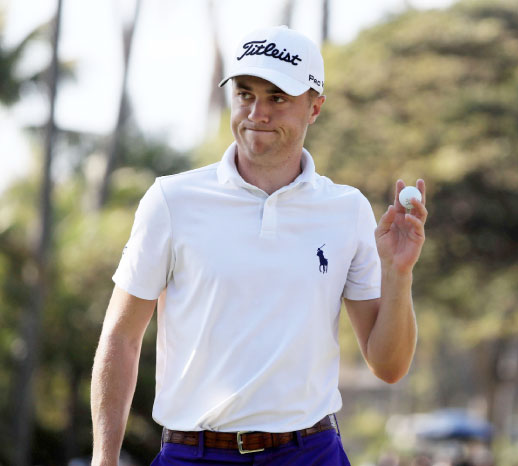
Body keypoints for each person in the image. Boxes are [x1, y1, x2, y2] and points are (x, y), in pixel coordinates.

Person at [91, 25, 427, 465]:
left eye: (277, 98)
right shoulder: (171, 201)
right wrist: (104, 459)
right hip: (194, 454)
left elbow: (389, 365)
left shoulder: (347, 210)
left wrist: (398, 273)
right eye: (245, 93)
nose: (257, 113)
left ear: (315, 107)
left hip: (310, 452)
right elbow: (121, 337)